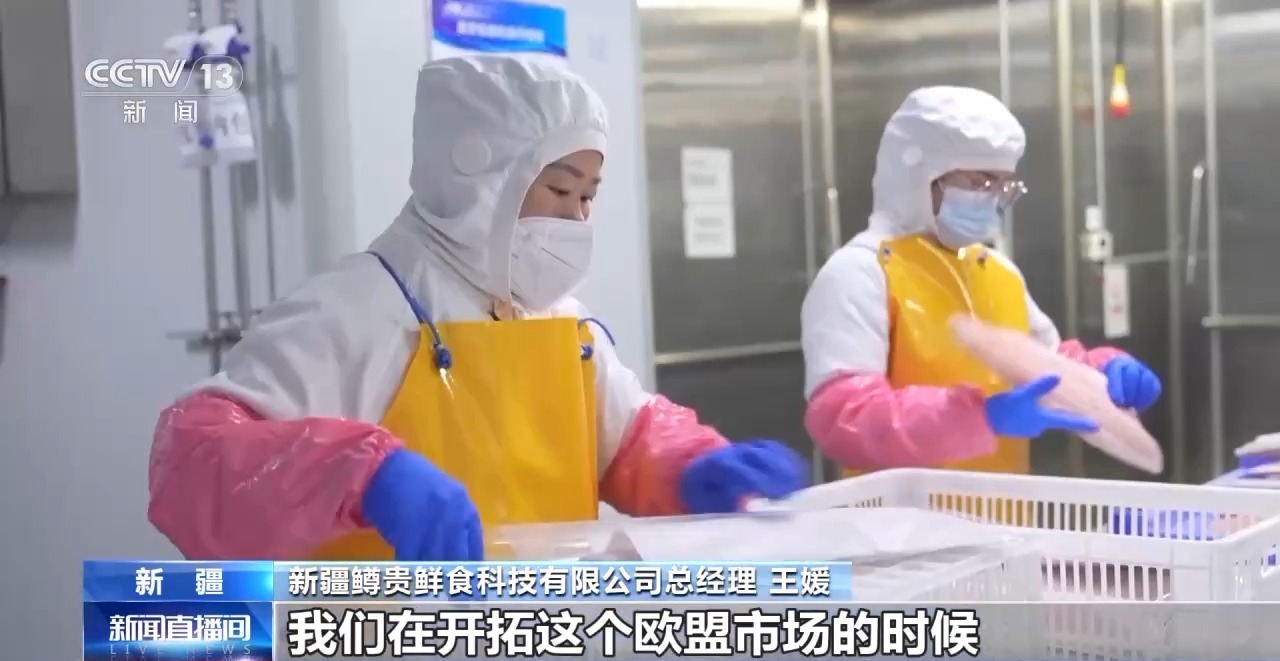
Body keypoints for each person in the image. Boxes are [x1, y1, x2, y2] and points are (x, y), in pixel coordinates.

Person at [148, 56, 807, 562]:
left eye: (589, 196)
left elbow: (627, 441)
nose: (577, 218)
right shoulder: (359, 308)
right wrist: (364, 475)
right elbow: (191, 460)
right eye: (559, 190)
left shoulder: (562, 323)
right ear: (482, 183)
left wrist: (691, 467)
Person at [801, 86, 1162, 474]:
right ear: (917, 175)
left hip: (1003, 509)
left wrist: (1103, 372)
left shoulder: (997, 272)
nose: (992, 200)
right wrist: (978, 417)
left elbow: (1047, 365)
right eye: (979, 183)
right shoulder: (859, 274)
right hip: (902, 513)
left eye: (1002, 186)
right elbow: (846, 418)